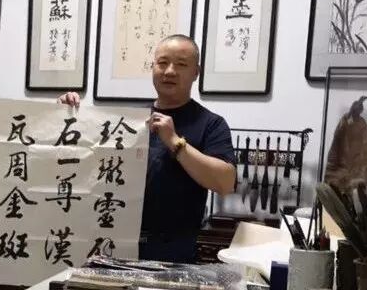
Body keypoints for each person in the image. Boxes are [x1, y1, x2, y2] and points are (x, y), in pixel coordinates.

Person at [59, 34, 236, 263]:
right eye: (162, 63)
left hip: (173, 255)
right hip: (113, 247)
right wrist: (64, 117)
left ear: (196, 72)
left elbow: (225, 182)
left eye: (181, 64)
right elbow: (82, 164)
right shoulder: (128, 121)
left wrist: (175, 142)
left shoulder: (211, 124)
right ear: (152, 67)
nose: (170, 71)